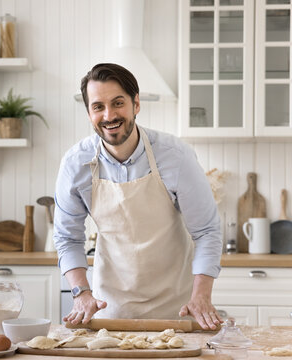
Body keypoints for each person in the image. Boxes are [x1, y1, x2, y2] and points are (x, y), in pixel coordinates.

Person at [54, 63, 223, 330]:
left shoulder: (176, 156)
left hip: (175, 309)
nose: (109, 115)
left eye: (118, 103)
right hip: (109, 309)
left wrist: (201, 296)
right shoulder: (76, 163)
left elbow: (206, 231)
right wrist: (81, 293)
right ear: (89, 113)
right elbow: (67, 237)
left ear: (136, 104)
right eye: (98, 107)